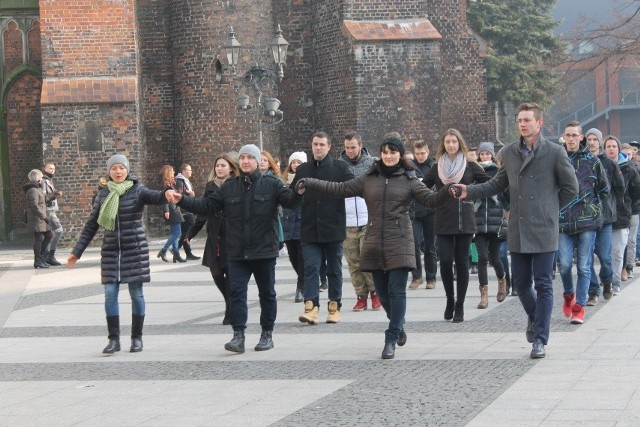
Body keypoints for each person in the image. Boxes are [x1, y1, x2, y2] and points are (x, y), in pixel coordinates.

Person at [295, 132, 449, 359]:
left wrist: (449, 189)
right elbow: (340, 189)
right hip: (375, 240)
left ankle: (391, 337)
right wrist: (311, 182)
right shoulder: (369, 178)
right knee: (384, 296)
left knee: (396, 292)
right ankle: (398, 325)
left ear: (400, 154)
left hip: (400, 240)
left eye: (393, 152)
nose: (388, 156)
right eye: (385, 152)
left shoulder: (410, 180)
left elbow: (431, 200)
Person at [451, 102, 579, 359]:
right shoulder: (509, 152)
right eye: (520, 120)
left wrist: (550, 210)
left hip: (544, 228)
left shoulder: (555, 152)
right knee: (520, 283)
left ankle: (540, 339)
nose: (522, 124)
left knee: (543, 284)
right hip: (518, 229)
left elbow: (571, 189)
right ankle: (535, 316)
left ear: (539, 123)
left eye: (527, 120)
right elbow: (497, 184)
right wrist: (469, 191)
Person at [166, 144, 299, 354]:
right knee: (237, 293)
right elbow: (206, 206)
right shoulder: (229, 187)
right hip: (237, 251)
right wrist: (182, 199)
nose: (246, 161)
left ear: (257, 161)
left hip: (264, 250)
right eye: (243, 158)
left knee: (267, 294)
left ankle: (267, 334)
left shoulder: (272, 184)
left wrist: (299, 190)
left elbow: (290, 201)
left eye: (250, 158)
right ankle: (238, 335)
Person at [67, 154, 170, 354]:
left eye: (121, 168)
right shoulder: (103, 194)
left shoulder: (137, 190)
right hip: (111, 250)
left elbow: (156, 197)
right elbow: (91, 225)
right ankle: (113, 340)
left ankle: (136, 338)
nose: (118, 172)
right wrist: (76, 252)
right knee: (110, 294)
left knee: (136, 294)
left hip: (135, 248)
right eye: (114, 168)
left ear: (127, 170)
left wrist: (167, 191)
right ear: (109, 172)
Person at [423, 129, 490, 323]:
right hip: (443, 219)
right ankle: (450, 300)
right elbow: (423, 187)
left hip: (464, 220)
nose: (451, 145)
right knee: (444, 261)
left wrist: (470, 194)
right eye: (447, 142)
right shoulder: (437, 167)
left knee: (462, 263)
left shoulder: (470, 166)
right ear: (443, 145)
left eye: (454, 142)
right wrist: (431, 199)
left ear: (460, 143)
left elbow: (488, 184)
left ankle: (460, 304)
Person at [294, 132, 354, 325]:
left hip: (333, 228)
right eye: (315, 144)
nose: (317, 148)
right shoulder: (303, 169)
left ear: (329, 147)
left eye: (321, 144)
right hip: (310, 229)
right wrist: (296, 192)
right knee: (311, 268)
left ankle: (334, 306)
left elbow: (354, 186)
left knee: (334, 270)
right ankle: (311, 308)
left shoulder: (340, 168)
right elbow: (292, 197)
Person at [557, 121, 608, 324]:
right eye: (567, 135)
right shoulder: (557, 160)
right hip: (562, 220)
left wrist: (595, 210)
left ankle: (579, 307)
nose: (571, 139)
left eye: (574, 135)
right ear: (564, 137)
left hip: (587, 221)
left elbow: (604, 190)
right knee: (564, 265)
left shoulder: (592, 161)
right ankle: (569, 295)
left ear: (581, 138)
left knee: (585, 267)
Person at [186, 154, 240, 325]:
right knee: (216, 272)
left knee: (231, 272)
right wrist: (191, 232)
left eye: (223, 165)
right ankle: (229, 301)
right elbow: (204, 209)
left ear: (231, 168)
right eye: (217, 165)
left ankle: (231, 309)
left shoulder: (236, 184)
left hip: (231, 234)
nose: (219, 168)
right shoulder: (211, 186)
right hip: (215, 234)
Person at [339, 131, 380, 311]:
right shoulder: (339, 166)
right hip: (346, 220)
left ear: (360, 146)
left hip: (367, 218)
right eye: (347, 148)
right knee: (353, 261)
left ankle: (375, 292)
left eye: (353, 147)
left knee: (368, 258)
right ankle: (360, 295)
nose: (350, 151)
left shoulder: (372, 164)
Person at [585, 128, 624, 305]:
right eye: (589, 139)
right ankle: (593, 290)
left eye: (595, 139)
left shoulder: (609, 163)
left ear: (600, 142)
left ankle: (607, 280)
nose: (592, 142)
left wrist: (610, 203)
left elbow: (620, 188)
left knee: (605, 256)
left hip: (606, 217)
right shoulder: (582, 161)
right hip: (586, 218)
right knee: (585, 258)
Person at [604, 136, 640, 296]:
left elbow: (636, 191)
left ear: (618, 148)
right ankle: (606, 279)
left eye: (614, 146)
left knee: (618, 251)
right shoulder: (599, 165)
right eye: (608, 146)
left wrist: (627, 205)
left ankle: (616, 281)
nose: (611, 149)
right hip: (603, 215)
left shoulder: (629, 168)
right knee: (605, 253)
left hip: (622, 215)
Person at [474, 142, 508, 309]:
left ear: (492, 155)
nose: (485, 157)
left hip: (495, 221)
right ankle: (484, 295)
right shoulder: (475, 171)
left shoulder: (498, 172)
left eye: (487, 154)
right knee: (482, 258)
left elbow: (504, 194)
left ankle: (502, 281)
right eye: (482, 154)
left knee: (495, 258)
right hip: (479, 220)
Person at [409, 140, 438, 290]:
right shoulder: (410, 167)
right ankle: (416, 276)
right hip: (414, 212)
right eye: (417, 153)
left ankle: (431, 278)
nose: (420, 156)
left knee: (430, 247)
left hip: (431, 211)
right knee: (413, 245)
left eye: (422, 153)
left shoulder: (433, 167)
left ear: (428, 152)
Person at [282, 151, 308, 303]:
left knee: (301, 255)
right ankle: (306, 278)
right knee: (292, 257)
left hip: (302, 221)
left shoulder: (307, 181)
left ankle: (301, 287)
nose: (296, 165)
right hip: (288, 222)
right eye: (294, 162)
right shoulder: (284, 181)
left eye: (299, 162)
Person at [157, 165, 186, 263]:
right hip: (171, 210)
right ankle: (164, 250)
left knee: (175, 233)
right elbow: (163, 198)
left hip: (175, 209)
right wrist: (166, 210)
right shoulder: (165, 185)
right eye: (172, 171)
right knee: (177, 233)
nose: (174, 172)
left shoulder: (171, 183)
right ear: (168, 172)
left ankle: (176, 253)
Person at [24, 169, 52, 269]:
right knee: (39, 239)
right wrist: (44, 217)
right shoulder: (32, 190)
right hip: (37, 219)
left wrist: (53, 195)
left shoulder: (36, 189)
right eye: (41, 178)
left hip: (40, 219)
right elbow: (34, 206)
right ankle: (38, 261)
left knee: (49, 235)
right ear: (38, 179)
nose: (42, 180)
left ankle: (41, 259)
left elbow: (43, 200)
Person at [622, 142, 640, 281]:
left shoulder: (635, 168)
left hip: (633, 208)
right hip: (619, 210)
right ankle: (621, 267)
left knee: (631, 239)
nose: (627, 156)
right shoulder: (616, 167)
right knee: (621, 240)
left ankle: (629, 266)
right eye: (625, 154)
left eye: (629, 154)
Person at [175, 164, 200, 260]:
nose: (191, 172)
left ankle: (188, 253)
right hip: (184, 210)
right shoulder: (180, 181)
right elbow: (179, 195)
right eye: (189, 170)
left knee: (186, 231)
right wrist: (188, 194)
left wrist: (191, 195)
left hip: (188, 208)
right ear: (184, 171)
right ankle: (176, 248)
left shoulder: (186, 181)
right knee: (190, 229)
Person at [40, 162, 64, 266]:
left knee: (53, 233)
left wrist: (55, 193)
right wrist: (55, 194)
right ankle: (48, 256)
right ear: (44, 169)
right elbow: (43, 197)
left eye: (53, 169)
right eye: (50, 168)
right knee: (54, 232)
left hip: (51, 210)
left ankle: (48, 256)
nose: (52, 170)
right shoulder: (44, 181)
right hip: (48, 211)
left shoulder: (49, 180)